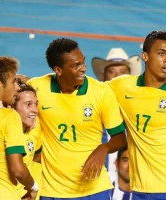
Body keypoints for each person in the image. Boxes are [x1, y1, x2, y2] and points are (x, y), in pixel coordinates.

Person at [27, 37, 127, 200]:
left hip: (95, 190)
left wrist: (103, 148)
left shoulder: (101, 92)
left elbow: (120, 138)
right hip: (52, 191)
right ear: (58, 70)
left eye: (83, 62)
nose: (83, 69)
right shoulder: (37, 88)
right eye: (76, 65)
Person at [108, 30, 166, 200]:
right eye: (161, 53)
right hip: (140, 191)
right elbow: (94, 91)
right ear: (145, 56)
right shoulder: (122, 87)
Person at [0, 56, 38, 200]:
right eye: (13, 82)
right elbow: (18, 170)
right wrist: (33, 187)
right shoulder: (8, 117)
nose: (17, 87)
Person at [91, 48, 142, 178]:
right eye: (112, 72)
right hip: (98, 182)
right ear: (103, 77)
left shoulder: (142, 111)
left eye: (122, 72)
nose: (117, 77)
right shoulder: (92, 109)